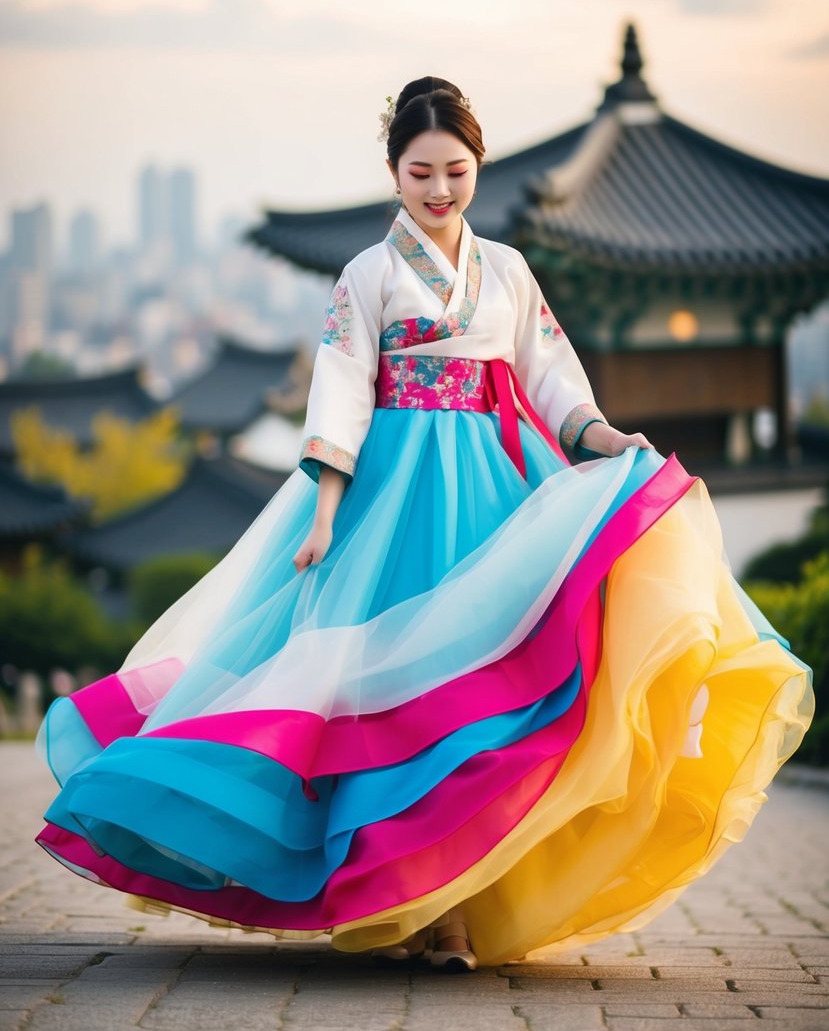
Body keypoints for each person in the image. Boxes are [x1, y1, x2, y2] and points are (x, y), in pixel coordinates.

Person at [34, 77, 813, 973]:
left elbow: (550, 378)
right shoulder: (367, 274)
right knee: (391, 704)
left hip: (492, 489)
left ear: (477, 164)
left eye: (454, 170)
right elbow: (340, 394)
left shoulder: (509, 270)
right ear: (393, 174)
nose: (439, 190)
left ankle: (457, 912)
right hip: (393, 495)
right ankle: (408, 910)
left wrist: (603, 438)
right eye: (420, 172)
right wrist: (326, 516)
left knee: (485, 704)